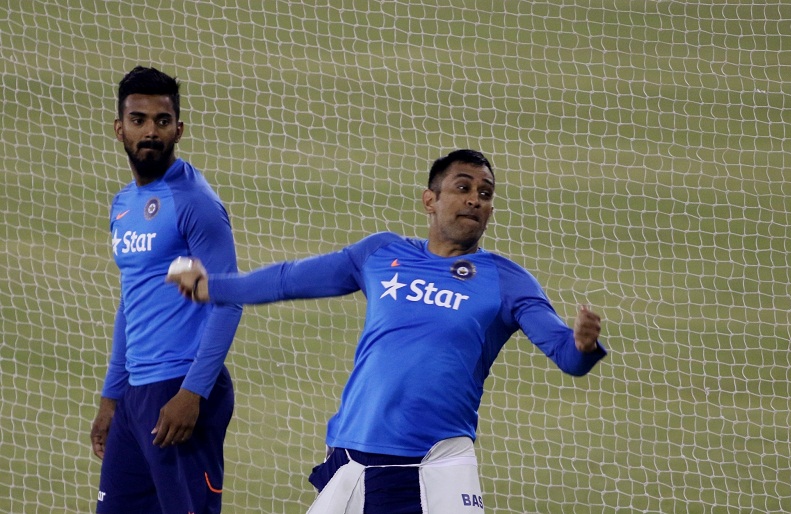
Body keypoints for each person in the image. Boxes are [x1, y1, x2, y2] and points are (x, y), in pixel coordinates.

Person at [167, 149, 606, 514]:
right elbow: (289, 279)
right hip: (352, 459)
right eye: (463, 187)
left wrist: (582, 344)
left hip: (432, 469)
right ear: (429, 200)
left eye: (485, 193)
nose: (475, 199)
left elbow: (567, 357)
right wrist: (212, 288)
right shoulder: (381, 253)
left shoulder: (507, 281)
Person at [90, 66, 243, 514]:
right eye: (139, 120)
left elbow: (228, 297)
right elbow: (131, 300)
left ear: (179, 127)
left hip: (180, 390)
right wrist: (111, 396)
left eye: (162, 120)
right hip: (137, 395)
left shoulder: (194, 201)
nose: (151, 132)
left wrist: (192, 393)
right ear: (120, 128)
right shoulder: (123, 205)